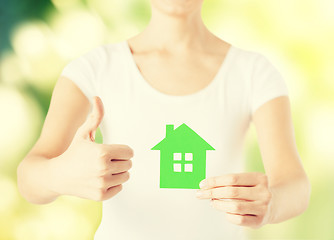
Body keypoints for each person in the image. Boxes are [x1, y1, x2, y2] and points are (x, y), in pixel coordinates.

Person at [17, 0, 311, 239]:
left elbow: (295, 185)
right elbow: (29, 179)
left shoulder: (254, 73)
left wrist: (271, 204)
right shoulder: (93, 69)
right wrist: (60, 174)